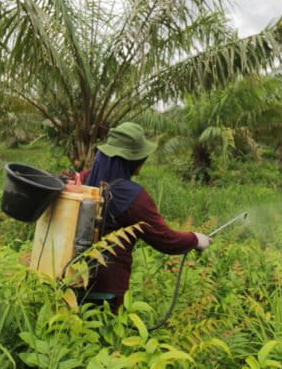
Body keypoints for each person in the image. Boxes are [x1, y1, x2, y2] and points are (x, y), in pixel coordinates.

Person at [79, 122, 212, 311]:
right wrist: (196, 239)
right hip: (107, 291)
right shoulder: (133, 196)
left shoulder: (83, 180)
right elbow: (166, 240)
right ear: (133, 159)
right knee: (106, 338)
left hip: (69, 280)